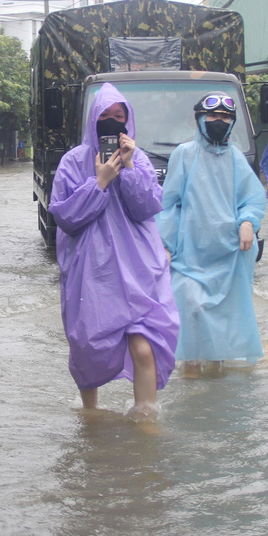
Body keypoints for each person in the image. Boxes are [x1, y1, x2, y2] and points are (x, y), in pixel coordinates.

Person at [48, 83, 179, 419]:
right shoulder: (72, 161)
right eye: (104, 116)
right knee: (87, 347)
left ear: (128, 121)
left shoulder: (141, 159)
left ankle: (146, 415)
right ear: (93, 119)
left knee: (143, 345)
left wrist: (130, 168)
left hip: (137, 268)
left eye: (118, 117)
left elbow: (148, 206)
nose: (111, 122)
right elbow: (64, 216)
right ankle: (89, 414)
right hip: (91, 270)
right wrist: (100, 181)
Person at [156, 91, 267, 378]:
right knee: (190, 306)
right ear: (200, 119)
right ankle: (190, 371)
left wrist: (247, 222)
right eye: (213, 116)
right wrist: (165, 245)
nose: (219, 121)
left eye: (225, 117)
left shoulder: (236, 159)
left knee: (224, 314)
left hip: (229, 252)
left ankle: (216, 373)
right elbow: (168, 204)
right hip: (189, 253)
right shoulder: (184, 154)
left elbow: (253, 198)